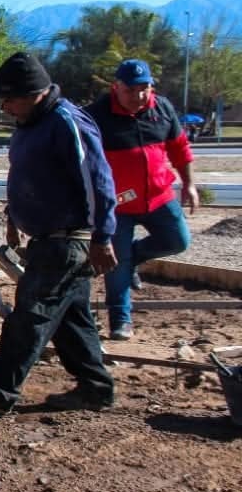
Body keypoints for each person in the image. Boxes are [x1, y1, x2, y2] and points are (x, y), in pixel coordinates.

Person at [0, 52, 119, 415]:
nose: (5, 107)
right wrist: (14, 216)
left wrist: (103, 236)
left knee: (29, 316)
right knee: (71, 322)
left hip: (68, 241)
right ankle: (95, 389)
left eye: (10, 99)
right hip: (48, 238)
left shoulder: (67, 123)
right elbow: (28, 177)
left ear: (35, 93)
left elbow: (98, 183)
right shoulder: (30, 123)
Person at [86, 59, 197, 341]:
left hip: (159, 197)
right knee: (116, 263)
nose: (139, 95)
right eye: (130, 90)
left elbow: (179, 148)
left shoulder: (162, 108)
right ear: (116, 87)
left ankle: (133, 258)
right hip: (116, 205)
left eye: (144, 88)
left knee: (178, 240)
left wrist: (189, 184)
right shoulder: (96, 115)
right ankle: (120, 319)